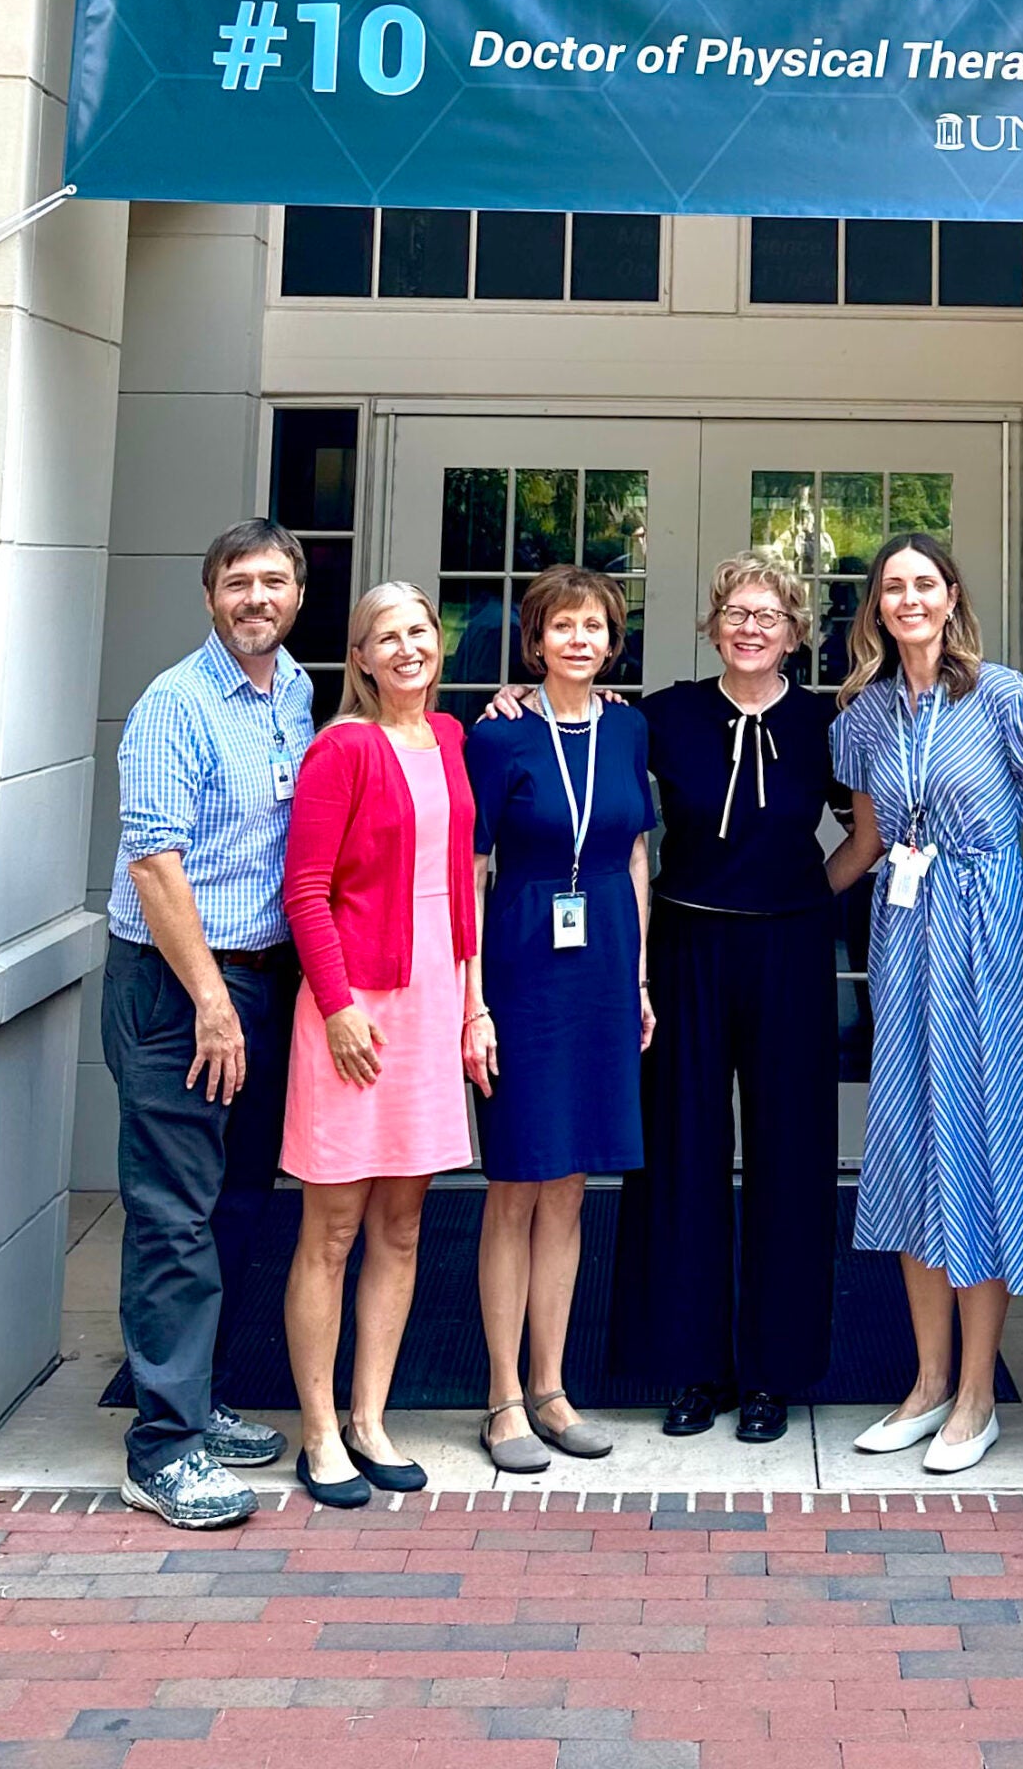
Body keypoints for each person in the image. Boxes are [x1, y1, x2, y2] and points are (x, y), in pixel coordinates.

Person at [832, 532, 1023, 1475]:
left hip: (993, 943)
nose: (909, 599)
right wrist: (776, 916)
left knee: (981, 1148)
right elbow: (866, 845)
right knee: (911, 1147)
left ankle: (978, 1393)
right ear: (877, 605)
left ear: (951, 597)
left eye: (924, 584)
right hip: (906, 939)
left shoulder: (1005, 698)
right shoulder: (864, 716)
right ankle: (928, 1381)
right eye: (893, 586)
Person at [616, 559, 867, 1445]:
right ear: (713, 625)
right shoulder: (666, 715)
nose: (750, 627)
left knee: (790, 1155)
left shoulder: (824, 724)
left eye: (768, 615)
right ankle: (692, 1367)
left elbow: (868, 832)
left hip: (788, 951)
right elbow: (583, 740)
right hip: (686, 943)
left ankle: (772, 1372)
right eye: (735, 612)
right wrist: (513, 702)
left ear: (795, 633)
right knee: (680, 1151)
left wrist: (806, 899)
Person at [103, 520, 315, 1529]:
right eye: (237, 583)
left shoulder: (295, 692)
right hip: (178, 991)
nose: (255, 598)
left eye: (272, 581)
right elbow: (155, 864)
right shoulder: (174, 705)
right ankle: (163, 1449)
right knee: (175, 1216)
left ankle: (202, 1401)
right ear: (209, 597)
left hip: (260, 982)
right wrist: (212, 1002)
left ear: (298, 594)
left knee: (236, 1203)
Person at [280, 583, 480, 1506]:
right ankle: (319, 1429)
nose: (407, 648)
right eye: (385, 637)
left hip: (432, 1001)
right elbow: (305, 890)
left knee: (402, 1225)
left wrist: (472, 1005)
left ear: (439, 642)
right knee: (331, 1230)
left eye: (419, 631)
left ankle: (370, 1418)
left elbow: (460, 879)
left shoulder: (448, 737)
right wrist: (337, 1006)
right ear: (358, 657)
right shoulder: (342, 747)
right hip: (354, 1010)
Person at [463, 567, 653, 1472]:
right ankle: (502, 1395)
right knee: (516, 1181)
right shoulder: (498, 735)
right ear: (535, 640)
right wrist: (474, 1001)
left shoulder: (628, 726)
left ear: (613, 642)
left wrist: (640, 980)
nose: (580, 640)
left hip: (605, 961)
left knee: (572, 1186)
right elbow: (472, 871)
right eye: (563, 626)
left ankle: (552, 1386)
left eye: (595, 627)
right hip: (521, 964)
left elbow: (636, 854)